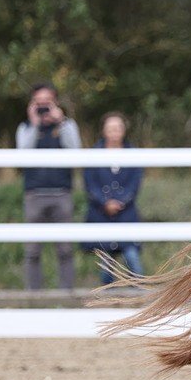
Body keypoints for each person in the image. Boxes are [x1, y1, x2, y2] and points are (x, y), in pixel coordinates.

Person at [15, 82, 81, 290]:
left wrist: (61, 122)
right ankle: (34, 298)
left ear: (56, 103)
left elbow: (76, 153)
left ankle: (66, 296)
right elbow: (22, 156)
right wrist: (35, 124)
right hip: (34, 194)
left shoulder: (67, 126)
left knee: (65, 249)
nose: (43, 106)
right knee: (32, 251)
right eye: (39, 102)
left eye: (47, 102)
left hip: (62, 193)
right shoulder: (25, 127)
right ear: (32, 104)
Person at [82, 112, 145, 285]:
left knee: (132, 257)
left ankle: (139, 297)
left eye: (118, 128)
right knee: (105, 261)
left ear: (124, 130)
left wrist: (121, 201)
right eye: (110, 128)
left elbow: (135, 184)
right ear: (103, 130)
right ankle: (107, 299)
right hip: (101, 214)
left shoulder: (133, 153)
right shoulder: (93, 153)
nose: (114, 131)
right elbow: (89, 183)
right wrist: (104, 202)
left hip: (127, 213)